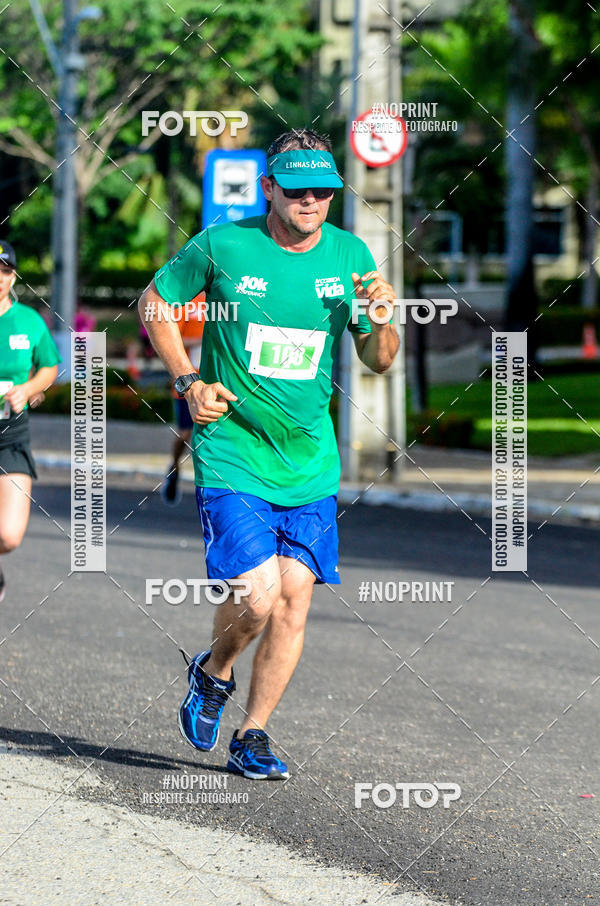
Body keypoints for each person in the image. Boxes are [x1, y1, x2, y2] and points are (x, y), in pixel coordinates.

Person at [138, 129, 399, 779]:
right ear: (270, 188)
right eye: (298, 189)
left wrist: (384, 318)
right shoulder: (225, 243)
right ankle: (213, 673)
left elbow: (378, 358)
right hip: (232, 447)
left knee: (294, 599)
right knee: (255, 595)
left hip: (309, 458)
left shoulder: (350, 256)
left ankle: (253, 735)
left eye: (324, 191)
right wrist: (186, 380)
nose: (311, 201)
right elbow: (155, 302)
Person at [0, 240, 61, 601]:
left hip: (11, 434)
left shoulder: (28, 321)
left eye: (5, 271)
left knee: (8, 534)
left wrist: (28, 389)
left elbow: (50, 366)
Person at [161, 292, 205, 505]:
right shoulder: (187, 303)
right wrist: (202, 340)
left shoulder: (228, 299)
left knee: (209, 436)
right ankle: (174, 466)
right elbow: (171, 338)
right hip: (188, 381)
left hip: (216, 382)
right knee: (186, 433)